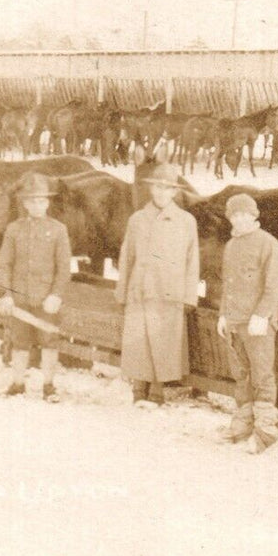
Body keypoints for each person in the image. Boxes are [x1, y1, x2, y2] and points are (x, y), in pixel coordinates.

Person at [115, 162, 199, 404]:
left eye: (167, 188)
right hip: (140, 289)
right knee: (139, 340)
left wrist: (189, 296)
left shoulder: (186, 222)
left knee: (164, 341)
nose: (161, 193)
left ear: (175, 192)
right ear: (150, 190)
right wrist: (122, 291)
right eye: (157, 188)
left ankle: (158, 390)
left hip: (169, 292)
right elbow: (127, 257)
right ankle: (139, 389)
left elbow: (192, 262)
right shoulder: (137, 219)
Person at [216, 192, 278, 453]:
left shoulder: (268, 244)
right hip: (235, 322)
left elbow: (276, 285)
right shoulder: (231, 246)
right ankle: (243, 424)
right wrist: (223, 315)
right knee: (241, 375)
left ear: (254, 215)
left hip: (257, 324)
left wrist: (262, 315)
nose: (240, 219)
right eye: (234, 215)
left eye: (245, 214)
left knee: (262, 375)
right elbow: (228, 285)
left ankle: (266, 431)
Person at [0, 172, 74, 402]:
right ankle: (18, 384)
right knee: (19, 343)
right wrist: (5, 295)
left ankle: (49, 386)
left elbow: (64, 268)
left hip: (46, 299)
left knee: (49, 342)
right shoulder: (14, 229)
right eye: (32, 201)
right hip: (19, 299)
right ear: (25, 204)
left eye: (41, 200)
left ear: (48, 202)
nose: (37, 205)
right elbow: (4, 265)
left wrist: (56, 295)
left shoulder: (59, 229)